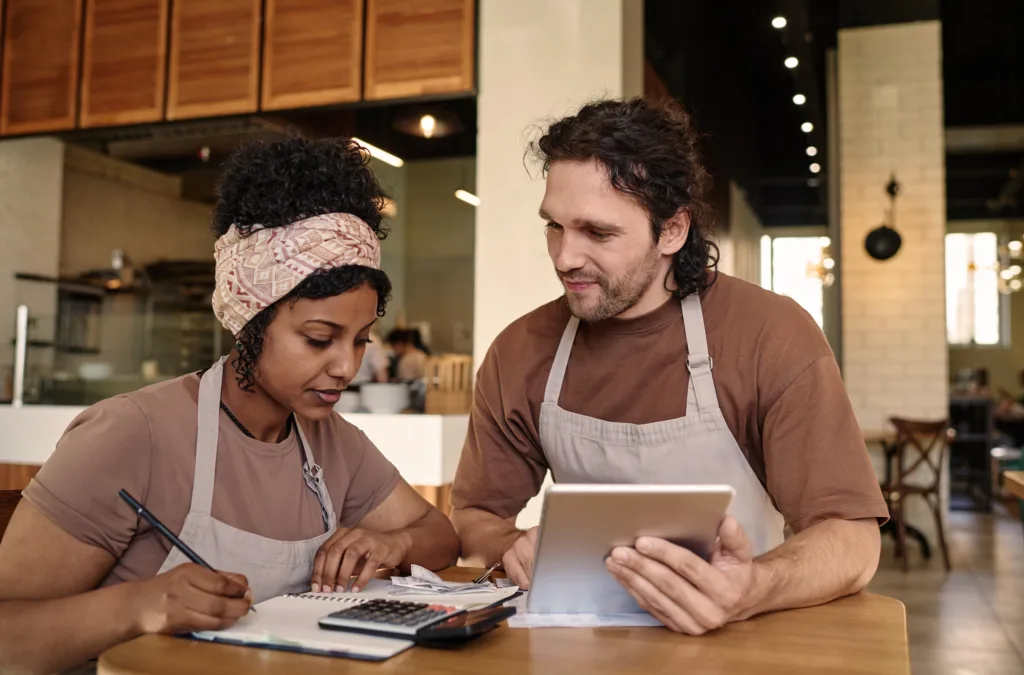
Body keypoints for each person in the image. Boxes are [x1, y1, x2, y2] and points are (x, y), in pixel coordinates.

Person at [0, 137, 460, 674]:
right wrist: (137, 605)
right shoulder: (131, 433)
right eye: (319, 338)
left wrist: (394, 543)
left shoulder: (333, 443)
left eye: (361, 339)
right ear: (251, 320)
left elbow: (442, 537)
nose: (346, 366)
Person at [450, 97, 888, 635]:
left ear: (673, 231)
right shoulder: (520, 352)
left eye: (598, 233)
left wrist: (751, 588)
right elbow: (473, 517)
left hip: (744, 641)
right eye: (555, 227)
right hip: (584, 643)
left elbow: (853, 539)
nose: (564, 257)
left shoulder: (770, 335)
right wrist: (509, 546)